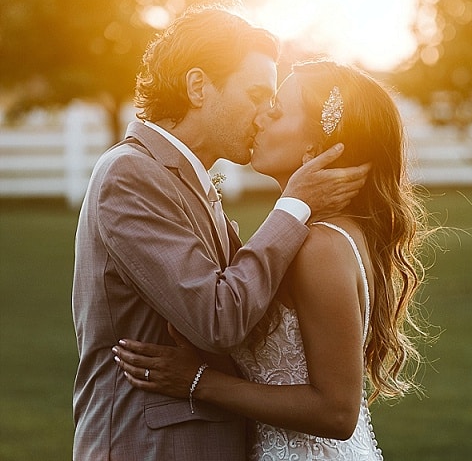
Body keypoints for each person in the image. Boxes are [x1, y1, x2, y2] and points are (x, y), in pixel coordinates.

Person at [72, 5, 369, 461]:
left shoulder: (188, 181)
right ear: (198, 87)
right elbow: (218, 319)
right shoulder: (130, 174)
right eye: (255, 94)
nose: (263, 114)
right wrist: (293, 205)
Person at [113, 60, 430, 460]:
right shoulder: (313, 233)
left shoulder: (321, 247)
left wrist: (198, 381)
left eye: (276, 110)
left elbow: (337, 411)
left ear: (314, 148)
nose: (260, 118)